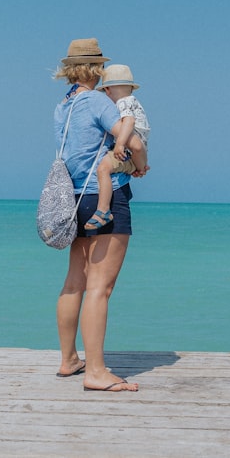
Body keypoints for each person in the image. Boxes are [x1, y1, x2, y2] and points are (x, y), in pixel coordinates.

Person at [52, 38, 140, 392]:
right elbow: (130, 140)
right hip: (104, 198)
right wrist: (141, 162)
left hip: (72, 200)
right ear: (96, 69)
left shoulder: (63, 106)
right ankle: (97, 372)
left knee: (75, 282)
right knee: (100, 288)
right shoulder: (97, 101)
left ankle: (69, 359)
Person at [86, 64, 150, 232]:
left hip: (127, 150)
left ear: (107, 90)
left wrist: (120, 144)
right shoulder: (134, 102)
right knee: (109, 168)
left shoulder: (122, 103)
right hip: (135, 154)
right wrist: (139, 164)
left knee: (103, 169)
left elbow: (129, 122)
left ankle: (103, 210)